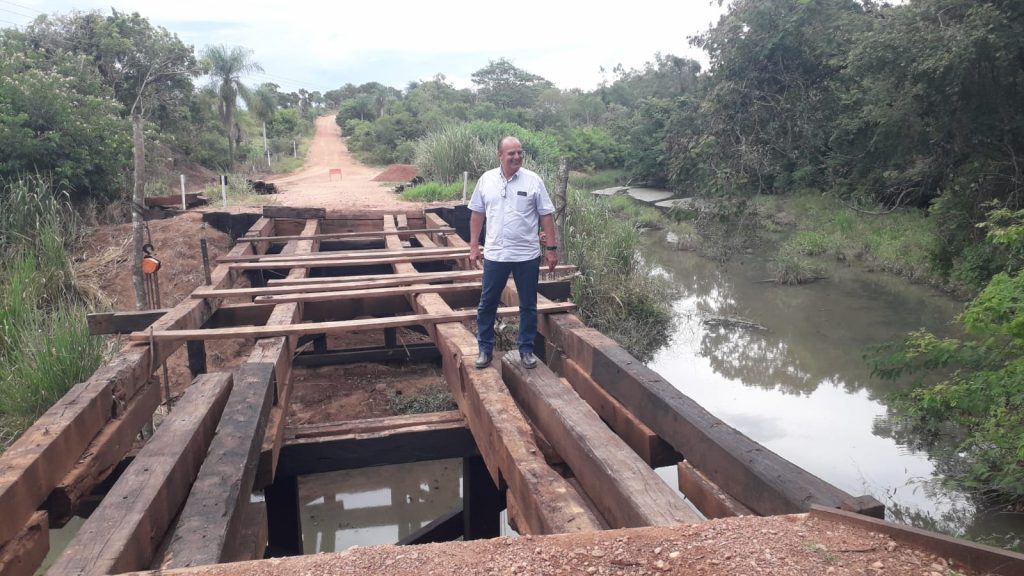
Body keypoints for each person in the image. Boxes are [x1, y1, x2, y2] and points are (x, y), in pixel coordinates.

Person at [468, 136, 558, 370]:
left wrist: (551, 249)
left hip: (526, 255)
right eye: (511, 153)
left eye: (520, 152)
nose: (517, 157)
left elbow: (546, 215)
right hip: (496, 255)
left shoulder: (533, 181)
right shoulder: (486, 180)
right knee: (487, 304)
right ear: (500, 155)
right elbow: (477, 214)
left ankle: (526, 350)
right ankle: (485, 350)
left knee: (528, 305)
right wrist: (474, 246)